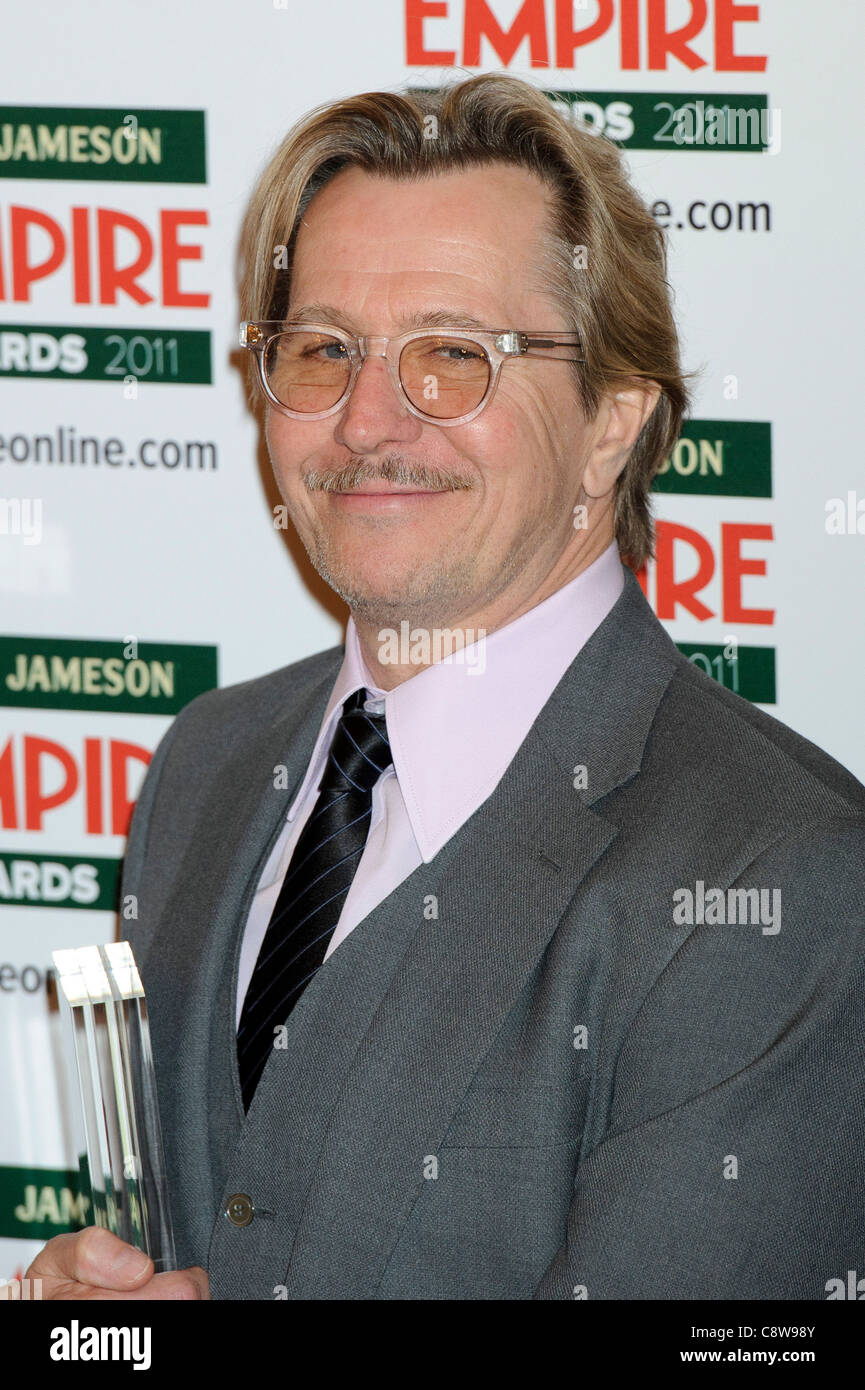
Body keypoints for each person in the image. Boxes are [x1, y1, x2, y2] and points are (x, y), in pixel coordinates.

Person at [18, 72, 865, 1302]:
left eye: (452, 356)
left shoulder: (773, 876)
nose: (367, 421)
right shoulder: (206, 763)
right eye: (321, 350)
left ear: (612, 421)